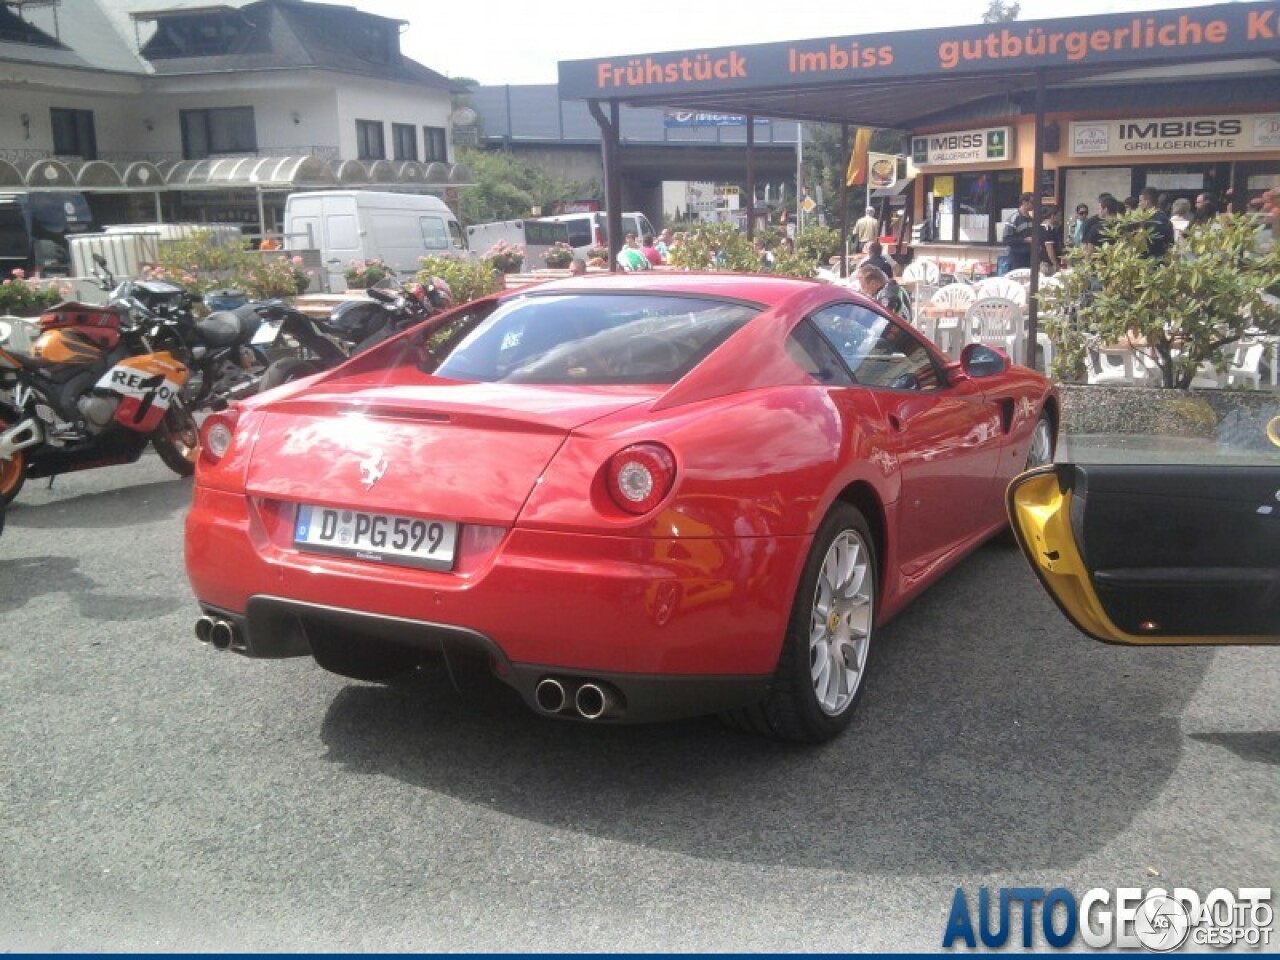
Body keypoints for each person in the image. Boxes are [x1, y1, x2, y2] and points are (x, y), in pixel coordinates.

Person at [1000, 192, 1035, 274]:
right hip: (1016, 257)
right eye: (1032, 202)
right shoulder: (1014, 218)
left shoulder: (1031, 219)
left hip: (1029, 257)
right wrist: (1025, 240)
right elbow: (1006, 239)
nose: (1034, 205)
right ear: (1024, 202)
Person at [1136, 186, 1174, 257]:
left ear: (1147, 202)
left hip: (1149, 260)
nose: (1139, 204)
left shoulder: (1150, 220)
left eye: (1140, 201)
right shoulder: (1165, 219)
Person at [1040, 207, 1063, 273]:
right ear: (1053, 216)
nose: (1060, 218)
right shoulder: (1047, 230)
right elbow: (1049, 248)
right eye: (1059, 216)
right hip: (1048, 265)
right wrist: (1056, 264)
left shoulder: (1052, 228)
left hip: (1049, 263)